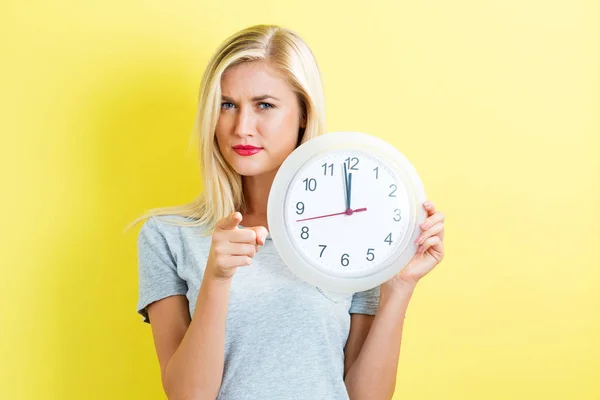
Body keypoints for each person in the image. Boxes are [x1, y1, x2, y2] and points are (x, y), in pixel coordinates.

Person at [128, 24, 446, 400]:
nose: (242, 127)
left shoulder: (355, 235)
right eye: (227, 105)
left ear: (302, 114)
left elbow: (366, 396)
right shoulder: (167, 236)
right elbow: (187, 396)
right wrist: (217, 278)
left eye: (264, 105)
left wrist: (399, 286)